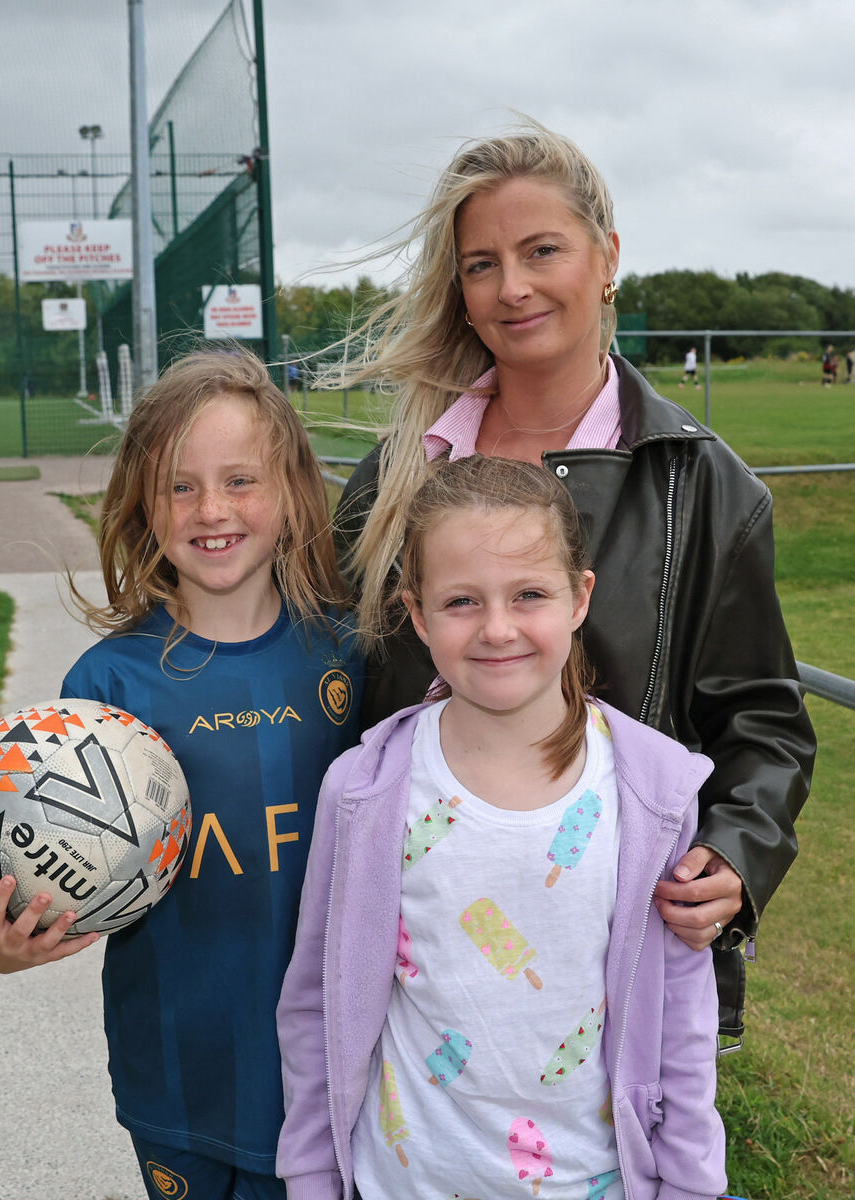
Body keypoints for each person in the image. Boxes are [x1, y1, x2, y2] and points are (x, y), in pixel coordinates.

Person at [330, 121, 815, 1044]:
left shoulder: (704, 487)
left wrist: (738, 852)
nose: (511, 287)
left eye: (541, 250)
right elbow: (331, 695)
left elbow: (764, 723)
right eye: (480, 264)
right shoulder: (398, 474)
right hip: (412, 949)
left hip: (608, 960)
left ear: (607, 260)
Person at [0, 348, 364, 1200]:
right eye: (181, 485)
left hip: (338, 1084)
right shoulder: (106, 690)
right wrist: (2, 950)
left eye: (241, 480)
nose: (213, 509)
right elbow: (59, 878)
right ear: (144, 500)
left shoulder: (350, 653)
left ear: (291, 490)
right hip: (179, 1082)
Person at [277, 454, 727, 1200]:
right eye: (461, 601)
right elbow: (315, 1002)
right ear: (416, 613)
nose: (496, 629)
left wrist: (690, 1182)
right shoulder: (364, 790)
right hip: (402, 1184)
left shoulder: (653, 792)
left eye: (528, 595)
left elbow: (681, 1019)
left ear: (579, 598)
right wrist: (313, 1173)